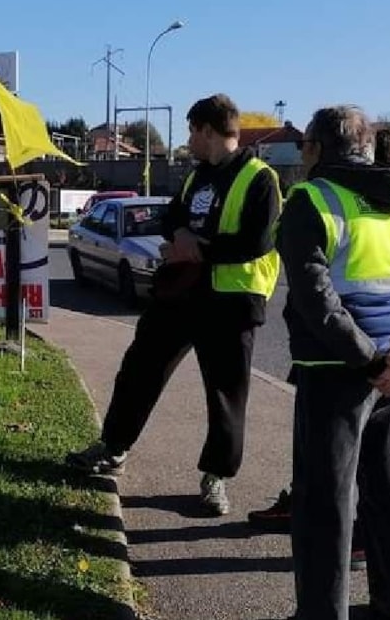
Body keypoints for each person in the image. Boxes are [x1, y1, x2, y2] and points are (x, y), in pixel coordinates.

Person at [65, 93, 282, 516]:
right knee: (140, 367)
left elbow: (258, 241)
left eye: (191, 132)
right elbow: (171, 216)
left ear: (208, 130)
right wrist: (180, 234)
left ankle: (215, 477)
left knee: (225, 395)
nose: (188, 140)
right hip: (181, 293)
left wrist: (196, 249)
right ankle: (113, 447)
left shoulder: (260, 177)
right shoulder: (196, 176)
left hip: (232, 301)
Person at [279, 106, 390, 620]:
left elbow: (316, 299)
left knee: (324, 506)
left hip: (338, 373)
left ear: (314, 150)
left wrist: (374, 362)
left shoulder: (310, 200)